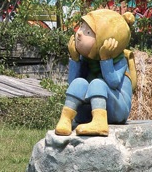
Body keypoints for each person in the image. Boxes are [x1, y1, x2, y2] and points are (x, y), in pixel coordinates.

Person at [53, 8, 136, 136]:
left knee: (98, 83)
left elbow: (113, 83)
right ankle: (66, 119)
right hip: (87, 111)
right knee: (79, 83)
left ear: (106, 39)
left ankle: (100, 123)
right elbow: (72, 83)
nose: (79, 33)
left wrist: (106, 60)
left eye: (87, 32)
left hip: (117, 110)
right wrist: (75, 59)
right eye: (81, 28)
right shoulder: (87, 59)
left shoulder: (119, 61)